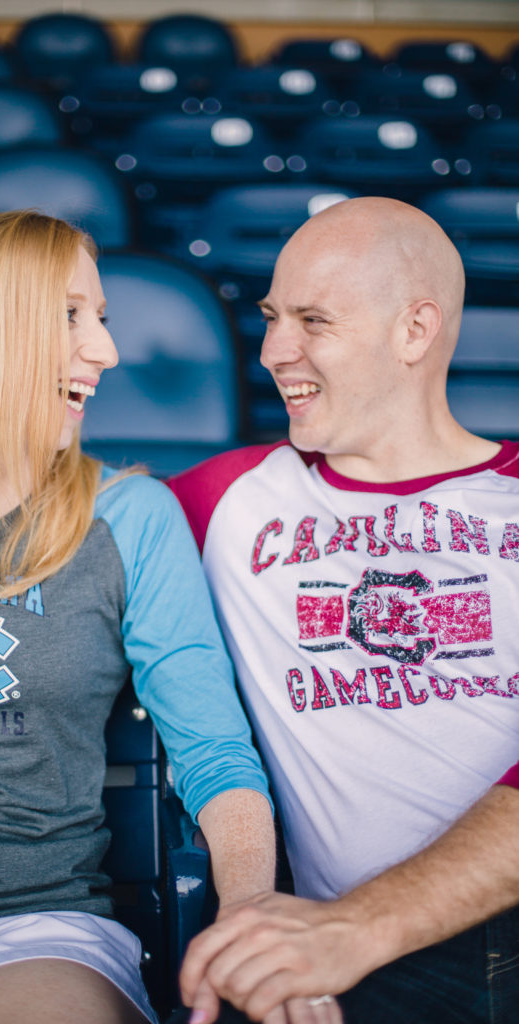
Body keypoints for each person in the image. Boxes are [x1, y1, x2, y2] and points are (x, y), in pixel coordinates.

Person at [0, 210, 281, 1024]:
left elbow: (212, 751)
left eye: (102, 318)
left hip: (38, 925)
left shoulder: (132, 516)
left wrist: (250, 908)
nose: (106, 351)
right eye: (71, 316)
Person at [168, 196, 519, 1024]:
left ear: (414, 331)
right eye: (269, 317)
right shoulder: (225, 501)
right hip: (370, 968)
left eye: (312, 320)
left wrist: (356, 927)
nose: (271, 351)